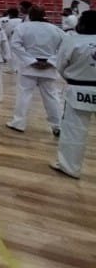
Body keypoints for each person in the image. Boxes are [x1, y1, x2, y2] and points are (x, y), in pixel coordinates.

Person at [50, 10, 96, 179]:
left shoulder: (72, 40)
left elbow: (61, 64)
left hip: (79, 88)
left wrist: (72, 77)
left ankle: (69, 167)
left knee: (74, 130)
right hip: (82, 85)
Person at [7, 6, 65, 135]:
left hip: (29, 67)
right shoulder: (56, 29)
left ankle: (19, 123)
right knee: (51, 96)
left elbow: (15, 45)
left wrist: (31, 61)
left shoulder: (23, 27)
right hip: (48, 68)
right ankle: (58, 125)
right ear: (44, 15)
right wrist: (50, 61)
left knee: (24, 94)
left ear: (30, 15)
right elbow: (64, 47)